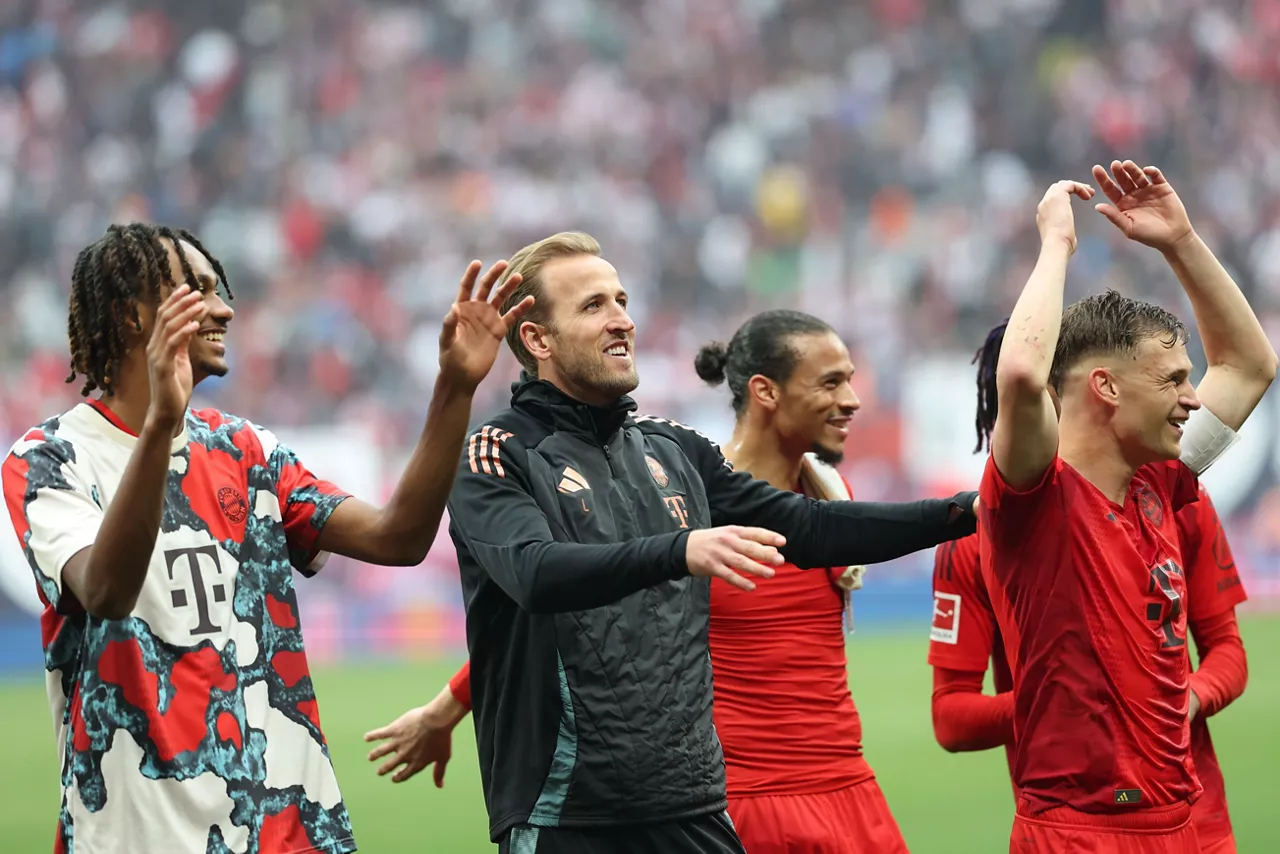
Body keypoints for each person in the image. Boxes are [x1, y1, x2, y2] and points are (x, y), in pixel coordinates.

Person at [382, 231, 981, 854]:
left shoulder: (672, 448)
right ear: (538, 340)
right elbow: (534, 575)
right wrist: (681, 549)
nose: (622, 320)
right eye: (594, 306)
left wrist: (967, 511)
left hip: (694, 805)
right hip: (567, 814)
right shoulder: (496, 451)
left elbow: (809, 527)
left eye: (621, 300)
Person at [0, 222, 532, 853]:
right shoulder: (50, 458)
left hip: (287, 832)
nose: (224, 308)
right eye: (198, 290)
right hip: (135, 836)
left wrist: (456, 386)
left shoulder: (246, 450)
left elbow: (399, 538)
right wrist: (162, 423)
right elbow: (107, 591)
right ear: (132, 315)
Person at [982, 161, 1276, 853]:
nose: (1193, 398)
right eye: (1173, 380)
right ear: (1107, 388)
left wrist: (1181, 242)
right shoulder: (1034, 495)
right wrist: (1057, 244)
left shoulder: (1161, 484)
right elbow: (1022, 374)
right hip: (1078, 832)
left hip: (1179, 823)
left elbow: (1249, 367)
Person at [928, 321, 1250, 853]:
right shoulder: (978, 539)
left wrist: (1182, 697)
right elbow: (951, 717)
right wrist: (1063, 700)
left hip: (1197, 818)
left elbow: (1229, 653)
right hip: (1079, 817)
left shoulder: (1179, 498)